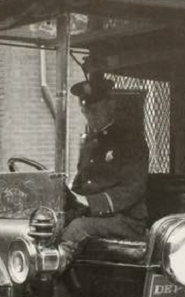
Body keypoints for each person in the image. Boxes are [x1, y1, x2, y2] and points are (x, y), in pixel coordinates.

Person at [59, 75, 149, 265]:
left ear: (111, 105)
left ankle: (51, 279)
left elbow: (133, 189)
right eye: (86, 112)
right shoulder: (89, 143)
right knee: (50, 224)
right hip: (97, 217)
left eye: (95, 110)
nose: (90, 117)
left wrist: (91, 203)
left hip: (126, 221)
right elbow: (81, 183)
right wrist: (70, 198)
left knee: (77, 228)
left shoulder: (130, 140)